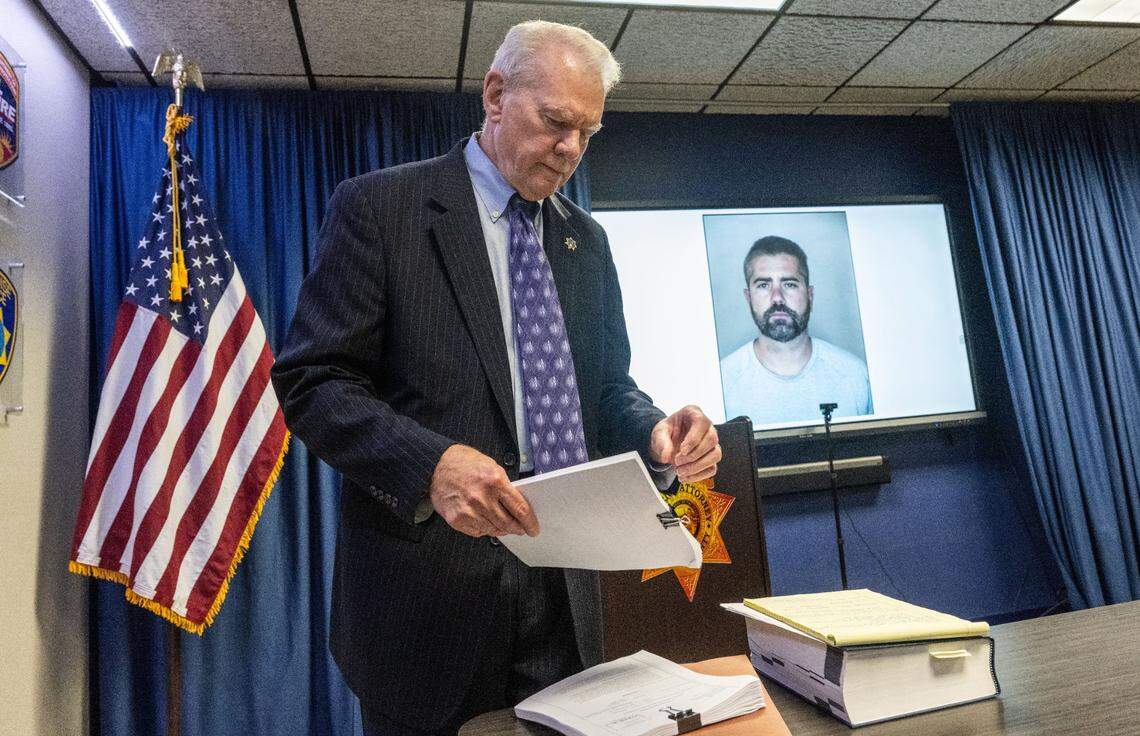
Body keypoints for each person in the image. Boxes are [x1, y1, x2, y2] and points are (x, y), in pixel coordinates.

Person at [271, 20, 722, 736]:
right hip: (425, 601)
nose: (571, 148)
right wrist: (432, 465)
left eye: (589, 133)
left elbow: (606, 390)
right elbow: (313, 383)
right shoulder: (380, 209)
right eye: (556, 122)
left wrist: (656, 433)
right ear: (495, 95)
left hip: (563, 589)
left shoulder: (585, 240)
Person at [720, 235, 872, 425]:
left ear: (810, 295)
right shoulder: (723, 383)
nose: (777, 298)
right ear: (748, 297)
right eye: (764, 285)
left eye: (789, 284)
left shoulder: (856, 376)